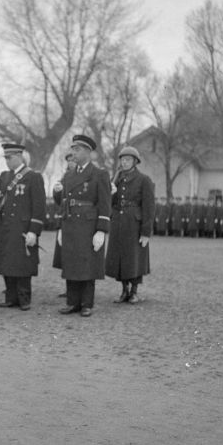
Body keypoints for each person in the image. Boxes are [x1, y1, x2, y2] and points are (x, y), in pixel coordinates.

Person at [53, 135, 111, 317]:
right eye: (73, 149)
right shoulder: (69, 175)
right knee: (71, 263)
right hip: (70, 223)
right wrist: (61, 227)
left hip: (88, 224)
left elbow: (105, 203)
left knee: (87, 265)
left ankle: (86, 303)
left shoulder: (99, 174)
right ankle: (72, 302)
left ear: (87, 151)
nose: (73, 153)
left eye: (77, 149)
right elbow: (64, 202)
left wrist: (101, 230)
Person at [0, 143, 46, 311]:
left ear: (20, 156)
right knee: (7, 262)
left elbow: (39, 207)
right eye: (6, 158)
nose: (7, 161)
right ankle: (10, 297)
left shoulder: (33, 177)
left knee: (22, 264)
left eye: (10, 157)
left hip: (22, 227)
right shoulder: (5, 176)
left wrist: (33, 231)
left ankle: (24, 299)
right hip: (6, 228)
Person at [105, 146, 155, 304]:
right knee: (120, 258)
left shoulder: (144, 180)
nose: (124, 162)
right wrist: (111, 193)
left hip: (134, 224)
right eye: (122, 159)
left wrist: (146, 232)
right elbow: (111, 203)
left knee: (134, 258)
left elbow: (149, 207)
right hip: (118, 223)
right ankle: (124, 290)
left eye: (128, 160)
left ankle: (134, 291)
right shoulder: (117, 178)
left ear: (135, 162)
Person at [53, 151, 77, 298]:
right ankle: (68, 288)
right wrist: (56, 191)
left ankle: (74, 289)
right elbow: (59, 201)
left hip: (78, 221)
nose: (70, 163)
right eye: (68, 161)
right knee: (66, 257)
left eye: (73, 161)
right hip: (65, 219)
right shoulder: (65, 177)